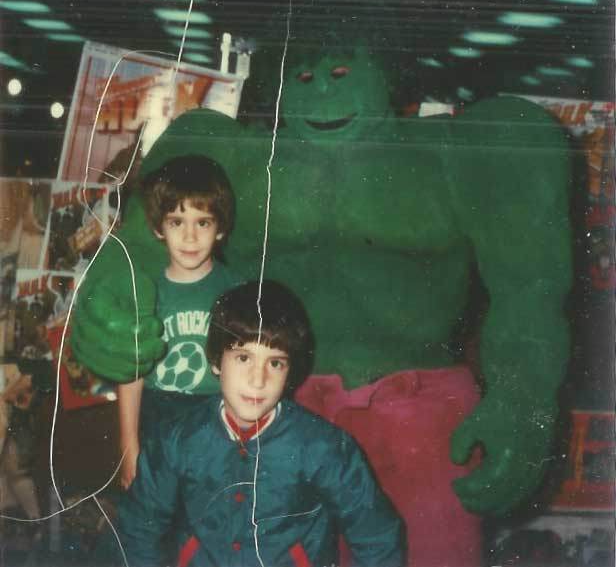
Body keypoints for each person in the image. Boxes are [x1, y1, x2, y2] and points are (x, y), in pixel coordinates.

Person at [71, 38, 572, 566]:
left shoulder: (454, 153)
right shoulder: (234, 156)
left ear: (387, 70)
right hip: (275, 406)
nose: (324, 92)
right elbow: (138, 249)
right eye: (306, 78)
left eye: (341, 72)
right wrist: (103, 305)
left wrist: (523, 399)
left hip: (419, 412)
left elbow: (530, 289)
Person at [118, 280, 405, 567]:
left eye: (275, 363)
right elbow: (139, 529)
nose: (258, 380)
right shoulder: (177, 439)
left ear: (289, 372)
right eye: (244, 358)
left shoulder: (325, 447)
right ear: (216, 361)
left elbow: (378, 537)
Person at [114, 154, 240, 489]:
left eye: (203, 223)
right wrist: (129, 447)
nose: (190, 237)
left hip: (216, 419)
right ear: (159, 227)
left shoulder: (236, 291)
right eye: (176, 222)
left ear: (220, 228)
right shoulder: (144, 292)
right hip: (158, 416)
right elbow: (131, 375)